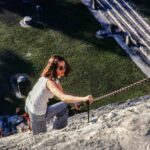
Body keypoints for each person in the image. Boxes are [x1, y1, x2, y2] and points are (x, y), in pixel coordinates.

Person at [25, 55, 93, 135]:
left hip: (29, 104)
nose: (64, 69)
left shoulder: (52, 77)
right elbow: (63, 97)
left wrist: (75, 102)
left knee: (63, 106)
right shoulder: (49, 83)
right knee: (41, 136)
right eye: (60, 68)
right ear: (53, 69)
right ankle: (35, 125)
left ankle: (56, 132)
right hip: (37, 113)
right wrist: (83, 98)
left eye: (65, 66)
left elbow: (62, 94)